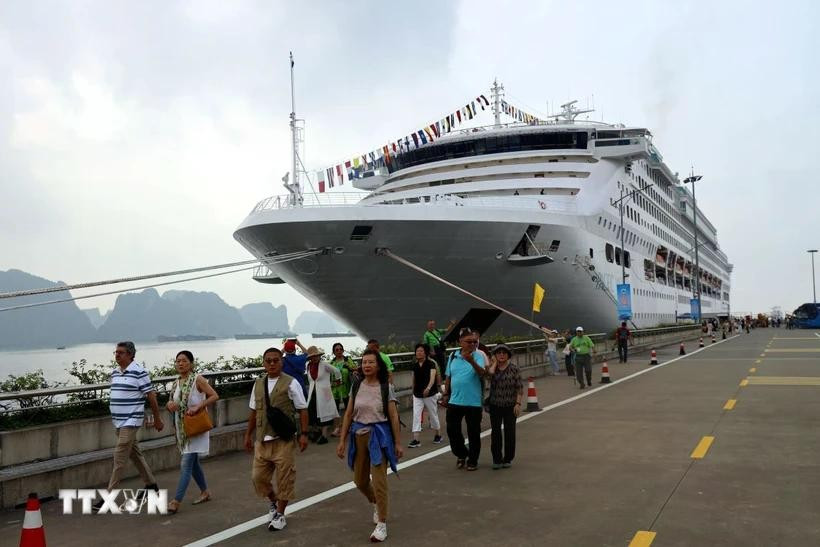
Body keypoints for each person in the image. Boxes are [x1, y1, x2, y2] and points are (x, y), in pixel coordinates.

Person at [335, 349, 403, 542]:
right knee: (360, 481)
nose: (367, 365)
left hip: (379, 437)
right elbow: (348, 414)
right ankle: (376, 502)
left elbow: (394, 416)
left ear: (378, 365)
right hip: (358, 436)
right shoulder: (356, 386)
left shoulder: (385, 387)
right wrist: (342, 440)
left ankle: (382, 523)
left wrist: (398, 443)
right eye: (364, 362)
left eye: (371, 362)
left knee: (380, 481)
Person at [244, 347, 309, 532]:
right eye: (268, 361)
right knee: (258, 478)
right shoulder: (258, 384)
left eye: (275, 360)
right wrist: (248, 435)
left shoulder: (291, 383)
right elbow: (254, 411)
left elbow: (302, 408)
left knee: (285, 480)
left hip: (283, 440)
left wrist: (304, 434)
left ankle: (280, 514)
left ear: (282, 362)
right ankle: (273, 501)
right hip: (262, 441)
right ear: (264, 363)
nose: (272, 363)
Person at [93, 341, 164, 512]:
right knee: (135, 454)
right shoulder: (115, 373)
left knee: (119, 457)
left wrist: (157, 419)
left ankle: (108, 497)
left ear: (131, 355)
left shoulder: (140, 372)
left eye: (121, 352)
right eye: (116, 352)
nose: (117, 355)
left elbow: (151, 396)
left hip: (131, 421)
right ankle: (151, 485)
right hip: (119, 422)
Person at [165, 350, 219, 514]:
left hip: (196, 427)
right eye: (178, 361)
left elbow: (214, 395)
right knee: (193, 463)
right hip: (183, 429)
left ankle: (176, 501)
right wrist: (169, 405)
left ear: (191, 363)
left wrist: (198, 406)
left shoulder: (197, 379)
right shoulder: (176, 383)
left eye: (184, 361)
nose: (180, 363)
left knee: (186, 463)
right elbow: (171, 402)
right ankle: (205, 492)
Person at [441, 327, 486, 471]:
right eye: (469, 341)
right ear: (461, 342)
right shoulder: (453, 355)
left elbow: (482, 374)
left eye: (474, 341)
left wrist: (471, 361)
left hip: (473, 402)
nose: (472, 344)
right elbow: (448, 376)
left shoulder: (478, 355)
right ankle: (461, 453)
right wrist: (446, 394)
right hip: (455, 400)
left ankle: (473, 460)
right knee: (452, 430)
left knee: (473, 433)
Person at [486, 344, 523, 469]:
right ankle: (496, 459)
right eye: (498, 353)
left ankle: (508, 458)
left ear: (508, 355)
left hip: (510, 405)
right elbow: (489, 374)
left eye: (504, 353)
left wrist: (518, 404)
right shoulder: (493, 368)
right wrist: (495, 363)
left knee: (510, 432)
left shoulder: (514, 369)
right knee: (495, 433)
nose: (501, 355)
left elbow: (519, 388)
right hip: (495, 405)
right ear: (495, 355)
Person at [408, 343, 442, 448]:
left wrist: (428, 388)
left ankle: (438, 435)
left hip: (430, 394)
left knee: (433, 415)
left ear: (426, 352)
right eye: (417, 351)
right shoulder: (415, 365)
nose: (418, 353)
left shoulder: (431, 364)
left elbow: (432, 377)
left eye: (421, 351)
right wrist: (412, 392)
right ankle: (416, 439)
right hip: (417, 394)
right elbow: (413, 380)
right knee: (416, 415)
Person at [305, 346, 340, 444]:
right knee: (313, 413)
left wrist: (336, 381)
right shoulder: (308, 365)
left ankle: (324, 435)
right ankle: (317, 432)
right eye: (313, 356)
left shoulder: (324, 365)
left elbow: (336, 371)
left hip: (325, 392)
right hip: (313, 393)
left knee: (326, 412)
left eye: (316, 356)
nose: (315, 358)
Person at [329, 342, 358, 437]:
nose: (339, 351)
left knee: (348, 408)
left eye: (340, 349)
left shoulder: (347, 360)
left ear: (343, 350)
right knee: (335, 410)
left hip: (347, 388)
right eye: (336, 350)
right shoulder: (331, 363)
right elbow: (329, 378)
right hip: (335, 390)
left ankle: (349, 427)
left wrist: (349, 367)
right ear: (333, 352)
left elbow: (355, 369)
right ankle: (337, 428)